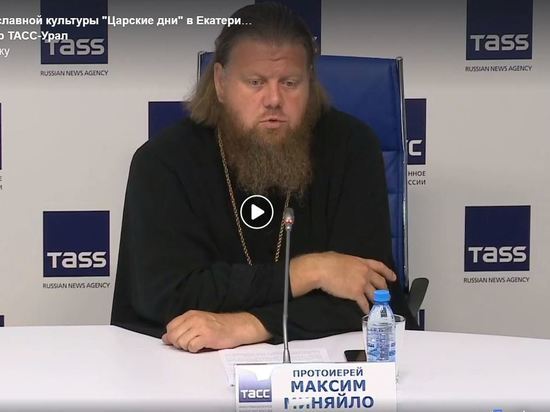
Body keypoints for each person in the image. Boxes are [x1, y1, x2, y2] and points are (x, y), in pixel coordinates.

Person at [111, 2, 418, 353]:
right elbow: (166, 295)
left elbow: (369, 296)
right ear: (221, 83)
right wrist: (309, 272)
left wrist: (248, 325)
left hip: (320, 362)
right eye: (255, 82)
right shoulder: (163, 162)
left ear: (309, 81)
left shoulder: (352, 146)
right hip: (186, 361)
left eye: (290, 82)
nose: (273, 99)